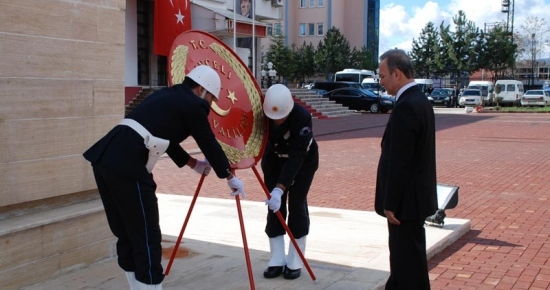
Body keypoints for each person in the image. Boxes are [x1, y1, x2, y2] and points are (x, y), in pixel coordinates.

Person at [83, 65, 246, 290]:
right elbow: (207, 141)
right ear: (201, 90)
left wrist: (194, 164)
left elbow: (163, 138)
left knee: (127, 232)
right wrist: (228, 176)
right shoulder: (194, 104)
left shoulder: (167, 95)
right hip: (128, 162)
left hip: (106, 156)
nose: (209, 105)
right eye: (211, 99)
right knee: (147, 234)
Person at [375, 49, 438, 290]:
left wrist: (390, 202)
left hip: (405, 204)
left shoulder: (407, 106)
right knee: (407, 264)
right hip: (415, 199)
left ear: (397, 74)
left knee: (407, 266)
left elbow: (400, 161)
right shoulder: (420, 100)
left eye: (382, 76)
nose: (381, 82)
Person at [262, 84, 319, 280]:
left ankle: (295, 258)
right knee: (273, 207)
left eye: (281, 118)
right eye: (273, 118)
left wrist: (281, 188)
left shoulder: (302, 117)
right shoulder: (263, 112)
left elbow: (297, 156)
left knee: (296, 203)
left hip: (302, 162)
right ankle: (276, 258)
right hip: (274, 159)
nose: (277, 121)